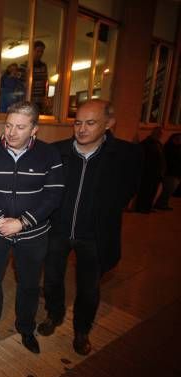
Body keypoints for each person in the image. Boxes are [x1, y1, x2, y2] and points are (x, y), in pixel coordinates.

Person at [37, 99, 142, 355]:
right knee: (51, 279)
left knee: (89, 287)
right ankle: (55, 313)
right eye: (78, 122)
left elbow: (129, 189)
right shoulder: (56, 151)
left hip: (94, 236)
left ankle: (82, 330)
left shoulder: (125, 155)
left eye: (91, 123)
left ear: (109, 124)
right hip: (58, 231)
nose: (82, 129)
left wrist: (103, 213)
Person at [0, 101, 64, 354]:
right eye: (8, 125)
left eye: (20, 127)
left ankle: (26, 326)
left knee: (28, 283)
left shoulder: (49, 155)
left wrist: (22, 222)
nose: (12, 132)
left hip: (33, 233)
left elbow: (54, 196)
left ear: (34, 129)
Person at [135, 126, 165, 213]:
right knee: (145, 190)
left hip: (156, 172)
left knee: (152, 191)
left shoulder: (158, 144)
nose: (160, 135)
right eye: (158, 133)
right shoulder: (146, 144)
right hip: (148, 172)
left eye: (161, 133)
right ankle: (141, 207)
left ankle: (148, 207)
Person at [154, 133, 181, 210]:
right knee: (168, 190)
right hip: (170, 173)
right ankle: (161, 204)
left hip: (175, 173)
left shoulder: (177, 148)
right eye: (178, 138)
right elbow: (170, 161)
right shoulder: (169, 148)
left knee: (170, 190)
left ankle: (163, 204)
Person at [21, 41, 49, 114]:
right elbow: (22, 85)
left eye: (42, 51)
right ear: (32, 51)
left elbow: (46, 83)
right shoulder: (24, 66)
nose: (40, 54)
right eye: (38, 51)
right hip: (28, 100)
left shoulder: (44, 66)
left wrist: (45, 98)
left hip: (40, 102)